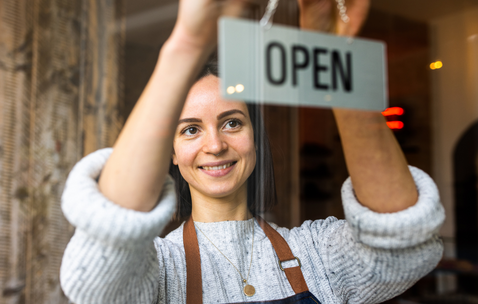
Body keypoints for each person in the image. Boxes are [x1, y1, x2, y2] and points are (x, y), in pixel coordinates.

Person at [60, 0, 445, 303]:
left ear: (255, 139)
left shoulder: (317, 253)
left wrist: (334, 60)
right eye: (191, 129)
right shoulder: (160, 267)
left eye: (232, 122)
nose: (215, 145)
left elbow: (404, 248)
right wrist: (187, 43)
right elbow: (95, 279)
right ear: (171, 153)